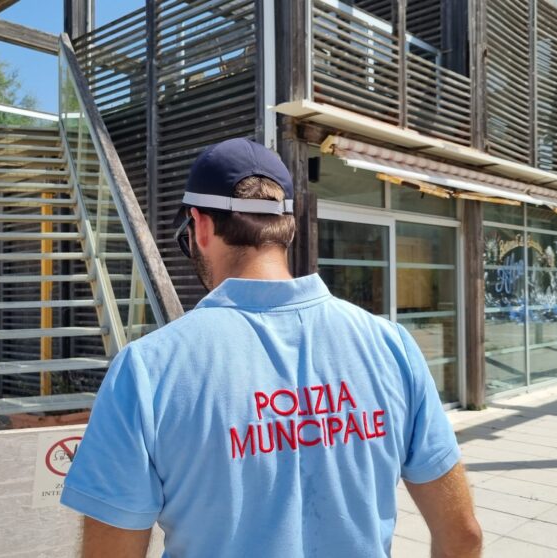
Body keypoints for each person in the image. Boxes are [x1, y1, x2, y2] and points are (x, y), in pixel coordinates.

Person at [61, 138, 483, 558]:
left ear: (200, 226)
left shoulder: (146, 370)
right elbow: (463, 535)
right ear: (289, 230)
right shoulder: (392, 347)